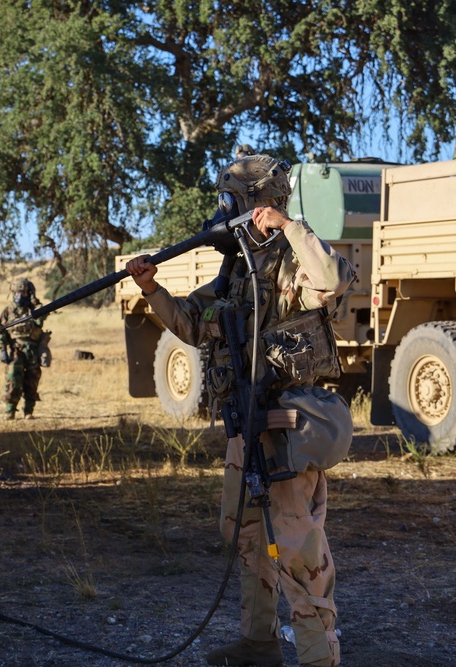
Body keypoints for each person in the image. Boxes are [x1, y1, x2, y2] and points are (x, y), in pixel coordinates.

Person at [125, 155, 355, 667]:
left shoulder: (297, 259)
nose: (222, 209)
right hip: (244, 426)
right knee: (246, 532)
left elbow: (333, 280)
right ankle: (258, 643)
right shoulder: (235, 272)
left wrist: (289, 225)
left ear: (259, 205)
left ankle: (320, 658)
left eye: (232, 200)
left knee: (296, 547)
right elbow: (190, 323)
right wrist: (151, 288)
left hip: (287, 432)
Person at [0, 278, 50, 420]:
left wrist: (34, 301)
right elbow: (0, 331)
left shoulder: (33, 309)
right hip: (16, 350)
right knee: (13, 381)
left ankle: (28, 411)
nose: (20, 295)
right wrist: (3, 350)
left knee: (32, 381)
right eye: (17, 292)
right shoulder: (8, 311)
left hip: (32, 350)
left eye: (24, 292)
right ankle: (10, 410)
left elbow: (41, 318)